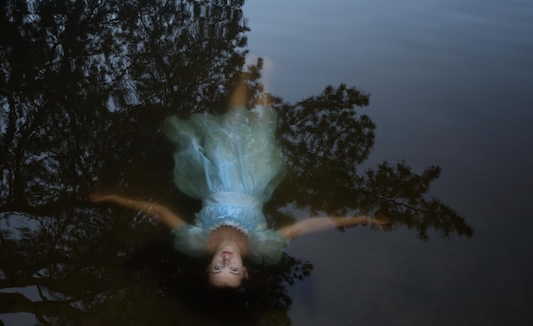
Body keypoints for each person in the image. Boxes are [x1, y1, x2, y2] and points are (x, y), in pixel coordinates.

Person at [90, 72, 387, 288]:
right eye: (232, 270)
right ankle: (267, 75)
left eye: (218, 268)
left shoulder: (194, 242)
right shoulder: (262, 246)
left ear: (208, 266)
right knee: (261, 123)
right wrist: (359, 218)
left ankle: (246, 74)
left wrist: (114, 198)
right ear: (245, 271)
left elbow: (158, 211)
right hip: (253, 179)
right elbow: (305, 226)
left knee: (232, 120)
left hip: (215, 176)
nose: (227, 261)